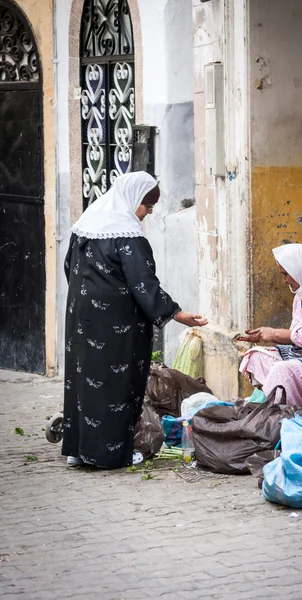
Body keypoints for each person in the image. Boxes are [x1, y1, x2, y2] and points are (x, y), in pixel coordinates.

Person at [62, 172, 207, 469]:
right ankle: (111, 454)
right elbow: (144, 284)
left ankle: (79, 451)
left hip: (82, 318)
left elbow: (69, 267)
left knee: (83, 382)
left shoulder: (87, 222)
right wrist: (177, 314)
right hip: (117, 327)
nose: (146, 214)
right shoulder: (127, 234)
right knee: (116, 385)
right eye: (147, 206)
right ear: (133, 199)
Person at [238, 243, 302, 406]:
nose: (284, 281)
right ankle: (272, 401)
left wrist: (275, 334)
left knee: (281, 370)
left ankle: (275, 410)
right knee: (255, 356)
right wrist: (265, 337)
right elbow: (296, 335)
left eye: (286, 274)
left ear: (300, 268)